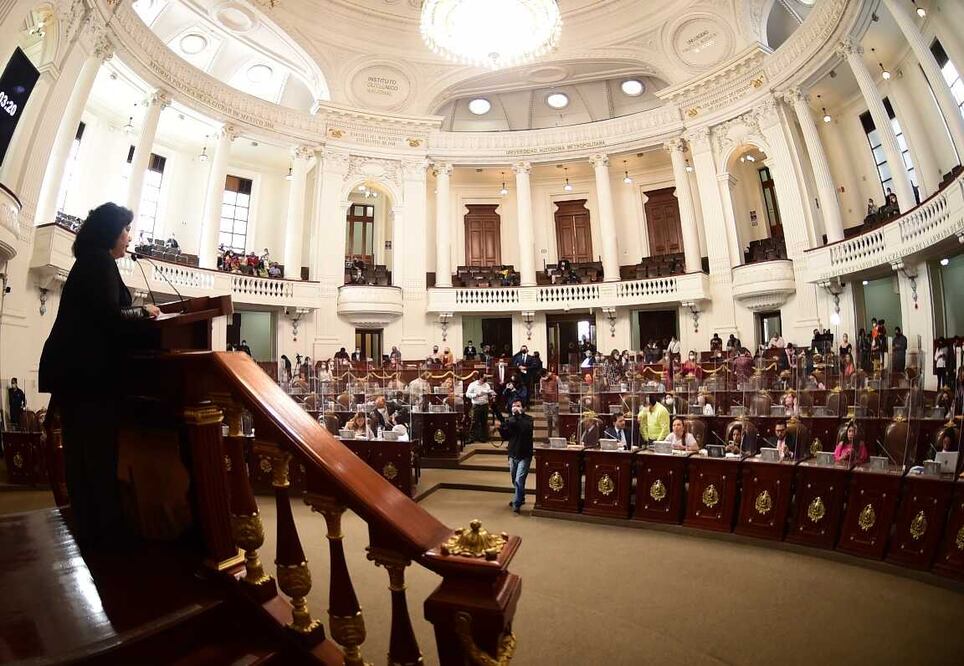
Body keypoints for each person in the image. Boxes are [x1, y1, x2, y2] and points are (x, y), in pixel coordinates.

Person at [39, 203, 160, 545]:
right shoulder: (100, 262)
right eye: (125, 230)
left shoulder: (89, 261)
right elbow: (111, 317)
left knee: (83, 457)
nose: (129, 237)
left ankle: (89, 528)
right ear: (111, 231)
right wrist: (144, 312)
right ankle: (105, 534)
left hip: (78, 376)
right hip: (90, 377)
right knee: (97, 456)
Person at [498, 398, 533, 514]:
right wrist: (502, 429)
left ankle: (517, 503)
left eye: (518, 405)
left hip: (525, 455)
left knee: (519, 479)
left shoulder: (528, 419)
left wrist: (518, 417)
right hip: (512, 454)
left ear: (523, 408)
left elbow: (525, 429)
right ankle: (521, 497)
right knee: (514, 479)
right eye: (513, 405)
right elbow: (506, 436)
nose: (515, 407)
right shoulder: (511, 420)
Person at [466, 374, 495, 443]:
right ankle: (471, 438)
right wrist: (476, 395)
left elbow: (489, 392)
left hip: (485, 405)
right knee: (474, 422)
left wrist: (492, 394)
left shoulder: (486, 385)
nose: (485, 380)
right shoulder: (472, 384)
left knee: (484, 422)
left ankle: (483, 437)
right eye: (484, 378)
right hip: (476, 405)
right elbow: (467, 394)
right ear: (480, 378)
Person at [541, 370, 560, 437]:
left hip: (554, 402)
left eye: (544, 376)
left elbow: (562, 388)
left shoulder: (556, 378)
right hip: (546, 402)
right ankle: (549, 437)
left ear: (547, 373)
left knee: (556, 421)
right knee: (549, 421)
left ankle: (558, 436)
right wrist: (541, 391)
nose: (543, 378)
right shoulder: (541, 379)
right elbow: (540, 388)